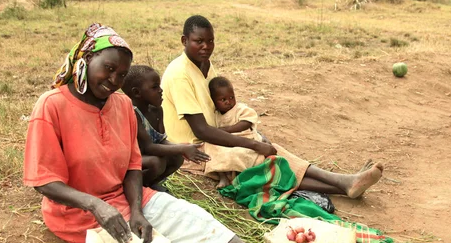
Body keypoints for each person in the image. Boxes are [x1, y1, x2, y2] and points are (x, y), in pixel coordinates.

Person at [23, 23, 322, 243]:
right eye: (108, 69)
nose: (114, 81)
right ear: (86, 59)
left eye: (121, 75)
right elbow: (44, 181)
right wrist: (96, 205)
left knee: (195, 219)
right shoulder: (52, 106)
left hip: (125, 200)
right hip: (79, 215)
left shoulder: (122, 105)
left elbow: (131, 166)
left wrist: (138, 209)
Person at [161, 15, 384, 199]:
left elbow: (220, 111)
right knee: (261, 158)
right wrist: (252, 144)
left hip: (213, 137)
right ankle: (343, 184)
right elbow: (201, 130)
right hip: (192, 150)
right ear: (184, 40)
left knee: (270, 148)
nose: (206, 47)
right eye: (198, 41)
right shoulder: (180, 74)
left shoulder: (206, 65)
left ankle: (345, 182)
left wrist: (251, 134)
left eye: (210, 41)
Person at [121, 65, 210, 189]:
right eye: (154, 87)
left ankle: (150, 185)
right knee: (156, 163)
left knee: (177, 158)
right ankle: (134, 188)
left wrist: (183, 148)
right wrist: (181, 149)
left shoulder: (157, 110)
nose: (160, 90)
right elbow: (149, 147)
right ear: (137, 93)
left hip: (145, 156)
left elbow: (160, 140)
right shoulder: (132, 113)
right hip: (127, 162)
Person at [206, 76, 264, 189]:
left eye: (232, 97)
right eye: (223, 100)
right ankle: (222, 175)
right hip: (227, 144)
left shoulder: (240, 109)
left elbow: (247, 122)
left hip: (244, 140)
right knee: (211, 149)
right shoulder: (215, 115)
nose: (229, 102)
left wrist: (227, 130)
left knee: (240, 153)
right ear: (213, 101)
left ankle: (239, 175)